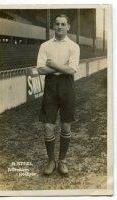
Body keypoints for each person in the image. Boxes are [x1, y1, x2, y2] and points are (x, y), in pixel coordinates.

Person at [37, 14, 80, 176]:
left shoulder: (74, 46)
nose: (60, 27)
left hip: (67, 85)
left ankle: (62, 160)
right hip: (50, 86)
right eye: (57, 24)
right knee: (48, 125)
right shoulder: (45, 45)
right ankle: (51, 161)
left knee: (66, 125)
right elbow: (41, 70)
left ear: (68, 27)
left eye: (63, 24)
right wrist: (63, 66)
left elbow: (71, 70)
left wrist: (53, 64)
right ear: (53, 26)